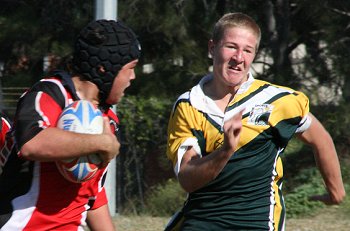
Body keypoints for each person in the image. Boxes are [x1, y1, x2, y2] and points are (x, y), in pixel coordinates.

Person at [165, 12, 345, 230]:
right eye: (231, 46)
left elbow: (320, 138)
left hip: (256, 222)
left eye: (247, 50)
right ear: (212, 48)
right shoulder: (189, 105)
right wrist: (226, 151)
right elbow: (187, 179)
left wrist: (335, 191)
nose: (239, 57)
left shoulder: (277, 101)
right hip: (201, 220)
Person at [0, 19, 141, 231]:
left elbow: (91, 195)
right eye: (130, 68)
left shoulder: (108, 119)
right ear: (105, 68)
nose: (133, 77)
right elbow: (32, 143)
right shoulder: (48, 94)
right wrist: (101, 142)